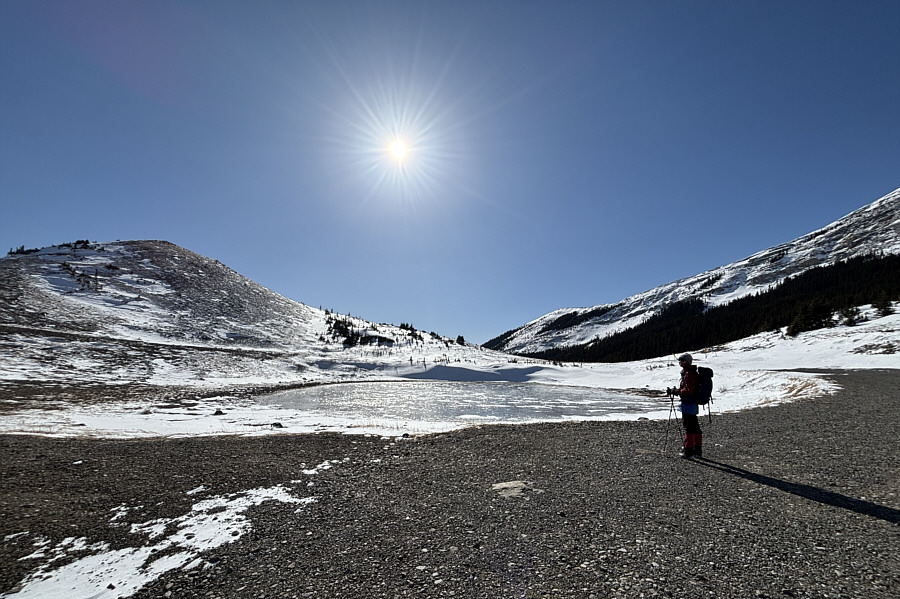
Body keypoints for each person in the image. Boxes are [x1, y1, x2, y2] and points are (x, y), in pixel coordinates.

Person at [675, 353, 702, 458]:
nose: (680, 362)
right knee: (694, 427)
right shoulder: (690, 372)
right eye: (680, 360)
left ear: (687, 361)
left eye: (682, 360)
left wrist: (677, 391)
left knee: (688, 427)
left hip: (688, 403)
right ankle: (697, 450)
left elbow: (689, 390)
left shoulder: (689, 374)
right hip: (692, 403)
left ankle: (688, 451)